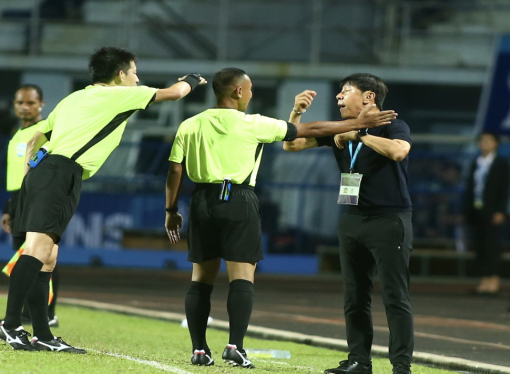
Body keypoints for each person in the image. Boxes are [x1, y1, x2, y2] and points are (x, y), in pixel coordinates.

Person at [164, 68, 397, 368]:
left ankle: (199, 350)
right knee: (242, 278)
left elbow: (174, 170)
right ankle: (235, 346)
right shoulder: (254, 123)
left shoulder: (190, 124)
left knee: (200, 279)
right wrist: (357, 123)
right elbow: (306, 131)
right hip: (239, 200)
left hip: (201, 202)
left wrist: (171, 211)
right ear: (237, 92)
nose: (250, 94)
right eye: (248, 90)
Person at [0, 46, 206, 354]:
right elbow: (175, 93)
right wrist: (193, 78)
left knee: (48, 257)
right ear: (120, 74)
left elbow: (34, 139)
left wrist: (34, 170)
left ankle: (41, 333)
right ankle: (10, 325)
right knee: (37, 250)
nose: (137, 79)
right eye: (134, 73)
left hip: (47, 172)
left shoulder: (74, 98)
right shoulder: (116, 95)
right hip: (61, 173)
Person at [283, 73, 414, 374]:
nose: (339, 97)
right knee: (354, 296)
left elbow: (398, 151)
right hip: (352, 220)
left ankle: (401, 366)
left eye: (346, 92)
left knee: (395, 296)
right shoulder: (340, 128)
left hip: (389, 219)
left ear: (368, 98)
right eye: (339, 93)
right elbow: (291, 146)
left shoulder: (394, 125)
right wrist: (297, 113)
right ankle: (358, 361)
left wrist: (361, 135)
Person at [3, 85, 61, 327]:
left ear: (41, 104)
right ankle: (30, 311)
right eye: (20, 103)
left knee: (40, 256)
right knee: (25, 255)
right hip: (18, 198)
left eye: (30, 103)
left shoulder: (45, 129)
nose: (25, 107)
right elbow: (17, 174)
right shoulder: (17, 134)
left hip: (36, 196)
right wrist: (10, 207)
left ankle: (48, 312)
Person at [462, 132, 510, 294]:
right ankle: (484, 280)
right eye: (482, 141)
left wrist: (500, 210)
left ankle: (493, 281)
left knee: (492, 246)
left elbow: (504, 189)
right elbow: (471, 187)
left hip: (493, 211)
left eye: (488, 141)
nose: (484, 144)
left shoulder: (501, 163)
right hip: (477, 210)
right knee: (480, 245)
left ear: (496, 143)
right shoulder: (476, 163)